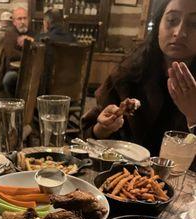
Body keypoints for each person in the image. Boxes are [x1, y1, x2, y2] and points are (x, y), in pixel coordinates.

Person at [82, 0, 196, 156]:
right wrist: (103, 128)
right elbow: (86, 139)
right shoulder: (129, 74)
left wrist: (194, 116)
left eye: (194, 24)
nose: (179, 32)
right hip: (121, 176)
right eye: (172, 20)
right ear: (158, 26)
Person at [2, 7, 34, 96]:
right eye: (19, 19)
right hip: (15, 71)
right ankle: (14, 103)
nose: (23, 22)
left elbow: (39, 52)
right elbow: (11, 54)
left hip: (31, 71)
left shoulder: (32, 33)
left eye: (25, 18)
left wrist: (31, 41)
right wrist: (28, 54)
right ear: (14, 22)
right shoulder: (10, 33)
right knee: (8, 79)